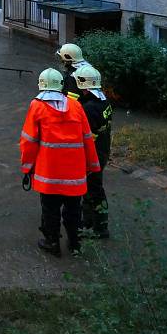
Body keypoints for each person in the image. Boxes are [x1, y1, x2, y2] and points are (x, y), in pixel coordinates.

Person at [20, 68, 101, 256]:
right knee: (74, 210)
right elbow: (87, 138)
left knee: (50, 210)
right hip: (75, 174)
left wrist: (26, 167)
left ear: (41, 85)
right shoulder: (76, 105)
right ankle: (75, 245)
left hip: (49, 173)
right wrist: (92, 166)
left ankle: (52, 243)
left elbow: (28, 141)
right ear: (61, 86)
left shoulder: (37, 106)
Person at [73, 65, 112, 238]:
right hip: (103, 150)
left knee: (94, 189)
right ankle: (87, 221)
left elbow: (83, 136)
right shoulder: (104, 100)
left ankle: (101, 227)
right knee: (92, 188)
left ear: (84, 85)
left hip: (93, 154)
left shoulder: (88, 108)